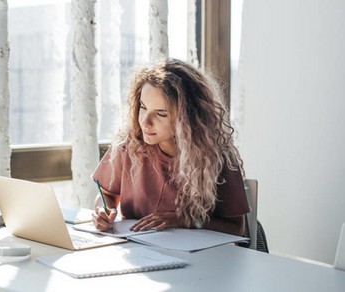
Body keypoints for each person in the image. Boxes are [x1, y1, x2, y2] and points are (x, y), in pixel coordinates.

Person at [91, 59, 249, 236]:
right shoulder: (129, 145)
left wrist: (182, 220)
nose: (145, 122)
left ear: (188, 118)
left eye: (161, 114)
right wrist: (102, 211)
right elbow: (106, 194)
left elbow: (237, 228)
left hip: (199, 257)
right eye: (142, 107)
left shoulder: (215, 157)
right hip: (138, 252)